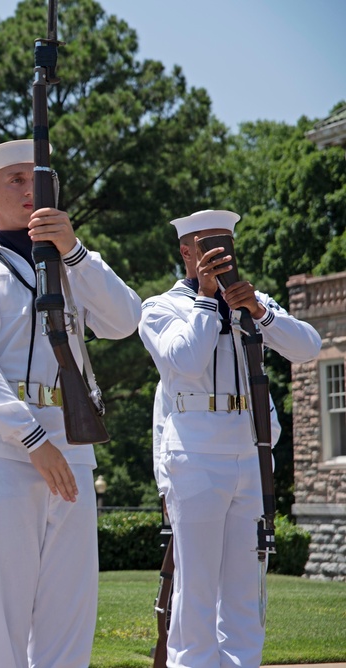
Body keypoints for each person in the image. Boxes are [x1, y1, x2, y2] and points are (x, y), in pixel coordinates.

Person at [0, 139, 141, 667]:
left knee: (69, 612)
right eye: (16, 181)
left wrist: (75, 251)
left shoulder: (72, 262)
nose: (31, 190)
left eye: (38, 179)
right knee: (2, 615)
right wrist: (31, 439)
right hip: (5, 453)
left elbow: (125, 321)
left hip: (73, 441)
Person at [138, 209, 320, 668]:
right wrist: (205, 297)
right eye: (207, 247)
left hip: (251, 454)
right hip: (195, 455)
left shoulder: (252, 303)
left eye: (225, 246)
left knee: (244, 590)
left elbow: (308, 347)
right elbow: (186, 360)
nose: (218, 257)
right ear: (187, 252)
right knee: (196, 588)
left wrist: (258, 311)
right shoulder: (160, 308)